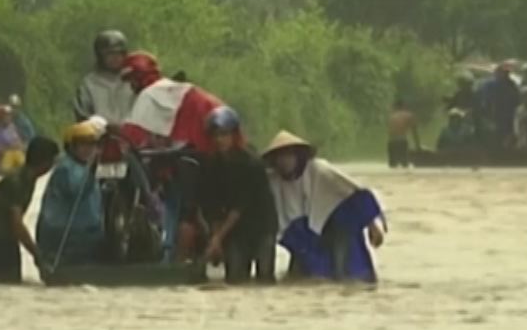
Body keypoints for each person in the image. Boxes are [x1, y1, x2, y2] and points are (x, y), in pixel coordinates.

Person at [119, 51, 225, 261]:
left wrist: (112, 131)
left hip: (192, 156)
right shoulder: (170, 89)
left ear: (140, 77)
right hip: (207, 150)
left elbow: (132, 134)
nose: (131, 86)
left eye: (132, 80)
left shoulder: (149, 95)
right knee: (191, 209)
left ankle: (174, 264)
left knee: (186, 211)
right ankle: (198, 252)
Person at [263, 131, 387, 283]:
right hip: (304, 232)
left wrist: (374, 224)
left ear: (298, 155)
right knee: (303, 274)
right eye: (280, 156)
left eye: (289, 155)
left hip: (337, 225)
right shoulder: (274, 181)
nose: (284, 161)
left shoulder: (320, 170)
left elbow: (355, 193)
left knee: (343, 273)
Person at [199, 107, 278, 285]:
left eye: (224, 134)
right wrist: (215, 238)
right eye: (216, 135)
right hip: (235, 230)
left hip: (261, 225)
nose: (220, 140)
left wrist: (218, 238)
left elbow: (239, 207)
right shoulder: (213, 165)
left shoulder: (251, 164)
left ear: (235, 135)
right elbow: (212, 205)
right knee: (235, 279)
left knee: (265, 278)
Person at [0, 137, 60, 284]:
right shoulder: (17, 183)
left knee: (10, 283)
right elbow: (16, 223)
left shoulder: (27, 179)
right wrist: (37, 255)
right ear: (45, 163)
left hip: (2, 236)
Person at [36, 121, 105, 269]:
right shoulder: (65, 168)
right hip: (66, 236)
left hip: (85, 235)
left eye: (92, 145)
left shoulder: (84, 167)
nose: (89, 149)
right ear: (72, 146)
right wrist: (93, 168)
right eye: (83, 144)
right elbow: (78, 190)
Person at [72, 30, 137, 125]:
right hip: (100, 136)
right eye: (110, 54)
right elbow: (83, 118)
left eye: (118, 53)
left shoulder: (134, 80)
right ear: (100, 56)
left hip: (132, 136)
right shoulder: (89, 84)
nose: (115, 58)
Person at [482, 61, 521, 153]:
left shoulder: (512, 85)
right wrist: (487, 114)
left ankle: (507, 152)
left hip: (509, 114)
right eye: (503, 73)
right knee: (495, 134)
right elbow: (487, 101)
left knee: (508, 134)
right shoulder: (490, 85)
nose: (506, 75)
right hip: (495, 114)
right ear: (497, 73)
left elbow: (517, 100)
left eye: (507, 73)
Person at [386, 99, 420, 168]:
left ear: (395, 107)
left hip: (391, 142)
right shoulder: (408, 115)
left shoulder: (392, 116)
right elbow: (414, 132)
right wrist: (418, 146)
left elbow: (390, 131)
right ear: (404, 106)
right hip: (402, 141)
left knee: (392, 166)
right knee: (404, 165)